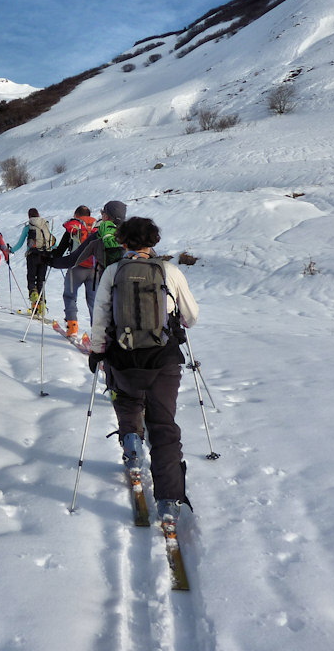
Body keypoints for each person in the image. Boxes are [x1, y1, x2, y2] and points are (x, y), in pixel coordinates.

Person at [87, 216, 199, 524]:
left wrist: (97, 351)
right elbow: (192, 316)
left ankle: (132, 443)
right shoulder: (170, 271)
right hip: (163, 358)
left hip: (123, 356)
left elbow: (101, 317)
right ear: (153, 241)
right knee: (163, 426)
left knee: (127, 400)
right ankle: (168, 500)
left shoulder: (113, 272)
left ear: (123, 242)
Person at [51, 200, 126, 336]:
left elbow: (62, 249)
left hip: (77, 267)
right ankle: (97, 332)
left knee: (69, 296)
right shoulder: (100, 227)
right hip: (95, 269)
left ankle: (72, 326)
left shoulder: (74, 226)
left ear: (77, 214)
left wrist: (51, 259)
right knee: (94, 302)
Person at [9, 208, 54, 312]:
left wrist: (11, 250)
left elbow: (20, 243)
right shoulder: (45, 225)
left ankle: (33, 295)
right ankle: (41, 304)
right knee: (41, 280)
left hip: (33, 255)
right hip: (45, 255)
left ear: (29, 216)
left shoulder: (28, 227)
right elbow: (52, 241)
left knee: (31, 278)